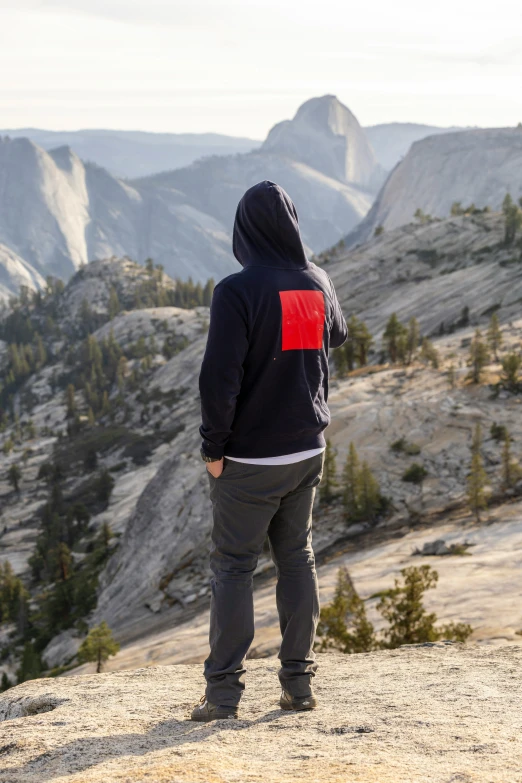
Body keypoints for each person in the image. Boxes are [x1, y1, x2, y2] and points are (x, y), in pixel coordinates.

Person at [191, 181, 347, 721]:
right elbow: (337, 336)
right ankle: (298, 685)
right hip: (306, 449)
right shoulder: (316, 281)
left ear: (244, 231)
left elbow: (220, 380)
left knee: (233, 567)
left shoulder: (236, 291)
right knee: (296, 559)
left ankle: (223, 696)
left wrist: (214, 448)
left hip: (251, 460)